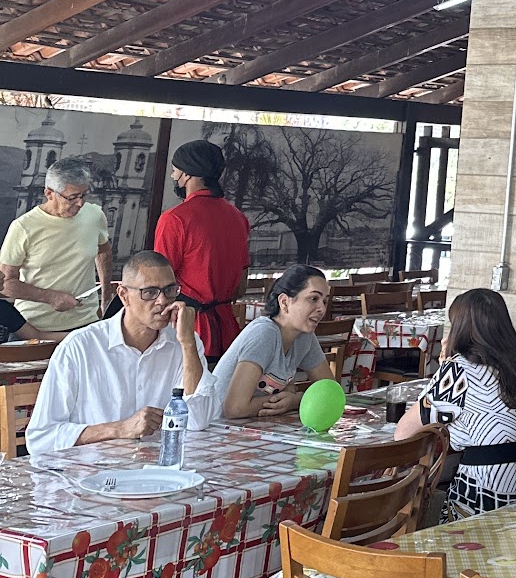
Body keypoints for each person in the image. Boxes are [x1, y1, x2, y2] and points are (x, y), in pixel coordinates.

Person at [25, 250, 214, 453]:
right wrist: (119, 429)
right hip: (93, 467)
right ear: (124, 295)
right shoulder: (80, 347)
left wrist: (187, 343)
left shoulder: (184, 342)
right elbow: (41, 438)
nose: (162, 301)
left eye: (169, 290)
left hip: (160, 466)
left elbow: (198, 420)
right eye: (149, 292)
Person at [395, 288, 516, 519]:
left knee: (413, 508)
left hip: (486, 500)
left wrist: (445, 367)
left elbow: (403, 434)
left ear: (460, 328)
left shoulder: (458, 370)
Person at [153, 139, 251, 363]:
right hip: (228, 332)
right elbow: (240, 287)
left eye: (175, 170)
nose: (173, 176)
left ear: (186, 174)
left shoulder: (175, 219)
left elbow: (160, 283)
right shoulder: (238, 218)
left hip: (187, 331)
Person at [0, 158, 112, 338]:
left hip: (87, 324)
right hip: (32, 327)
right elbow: (5, 284)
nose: (80, 203)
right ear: (49, 193)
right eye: (72, 197)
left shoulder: (95, 215)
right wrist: (49, 297)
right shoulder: (23, 227)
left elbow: (103, 251)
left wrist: (106, 297)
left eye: (84, 195)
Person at [213, 264, 332, 420]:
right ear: (284, 302)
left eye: (325, 301)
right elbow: (234, 409)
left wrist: (295, 400)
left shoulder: (304, 336)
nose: (322, 309)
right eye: (313, 299)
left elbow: (330, 390)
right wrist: (293, 401)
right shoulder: (265, 333)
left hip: (255, 425)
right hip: (217, 426)